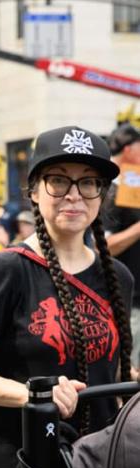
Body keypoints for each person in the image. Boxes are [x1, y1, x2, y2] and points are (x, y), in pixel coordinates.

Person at [0, 125, 134, 468]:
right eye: (58, 181)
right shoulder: (7, 269)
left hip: (100, 460)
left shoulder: (117, 276)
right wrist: (32, 396)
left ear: (101, 194)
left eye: (88, 182)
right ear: (34, 191)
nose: (73, 195)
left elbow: (110, 370)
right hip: (22, 461)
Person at [105, 123, 140, 369]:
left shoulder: (132, 186)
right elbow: (104, 246)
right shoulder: (110, 189)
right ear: (128, 149)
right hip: (128, 302)